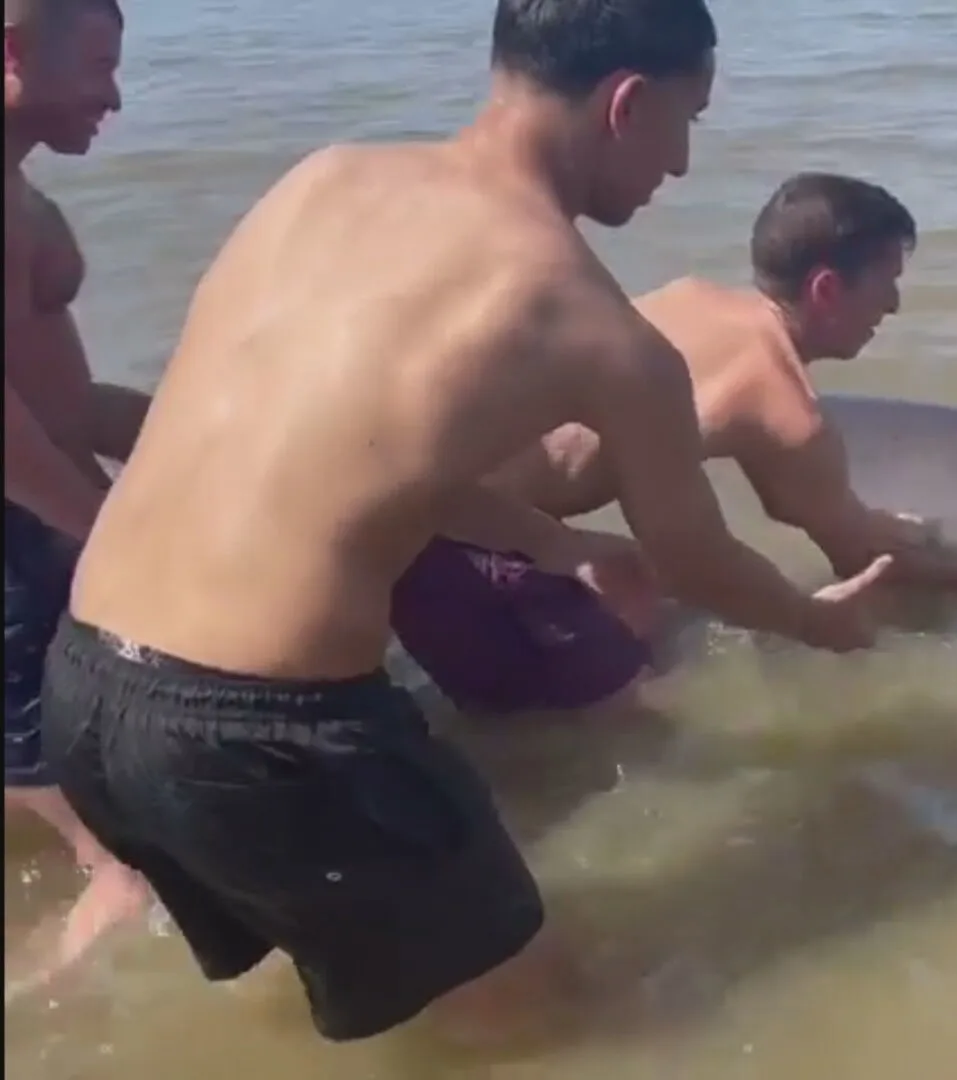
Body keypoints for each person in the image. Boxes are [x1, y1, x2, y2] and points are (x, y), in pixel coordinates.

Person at [38, 0, 895, 1048]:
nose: (680, 163)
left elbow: (328, 446)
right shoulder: (589, 322)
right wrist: (821, 621)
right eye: (690, 121)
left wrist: (555, 540)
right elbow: (696, 557)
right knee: (557, 1025)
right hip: (266, 736)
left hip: (85, 686)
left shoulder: (324, 181)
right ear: (626, 104)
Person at [391, 172, 957, 718]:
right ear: (827, 288)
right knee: (634, 728)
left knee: (660, 628)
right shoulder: (785, 407)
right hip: (460, 541)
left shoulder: (690, 297)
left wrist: (876, 525)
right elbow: (859, 558)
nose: (896, 305)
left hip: (408, 503)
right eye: (888, 283)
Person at [3, 0, 154, 994]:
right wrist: (99, 531)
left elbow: (59, 396)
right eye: (97, 64)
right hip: (21, 550)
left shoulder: (16, 194)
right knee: (128, 876)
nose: (113, 94)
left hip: (37, 529)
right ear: (12, 51)